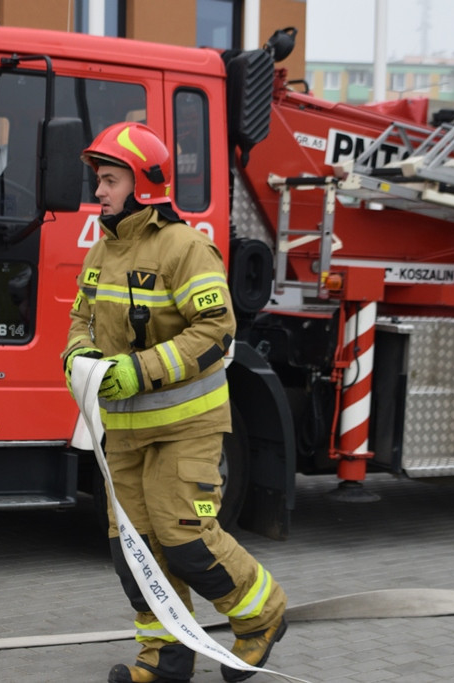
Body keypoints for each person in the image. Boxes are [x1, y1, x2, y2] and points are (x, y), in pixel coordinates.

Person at [63, 122, 287, 683]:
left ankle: (260, 617)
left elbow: (216, 330)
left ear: (142, 183)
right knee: (134, 553)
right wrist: (77, 361)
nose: (100, 192)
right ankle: (165, 658)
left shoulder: (185, 247)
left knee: (185, 540)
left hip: (186, 426)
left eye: (110, 180)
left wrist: (137, 370)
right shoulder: (102, 251)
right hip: (123, 431)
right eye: (99, 180)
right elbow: (79, 321)